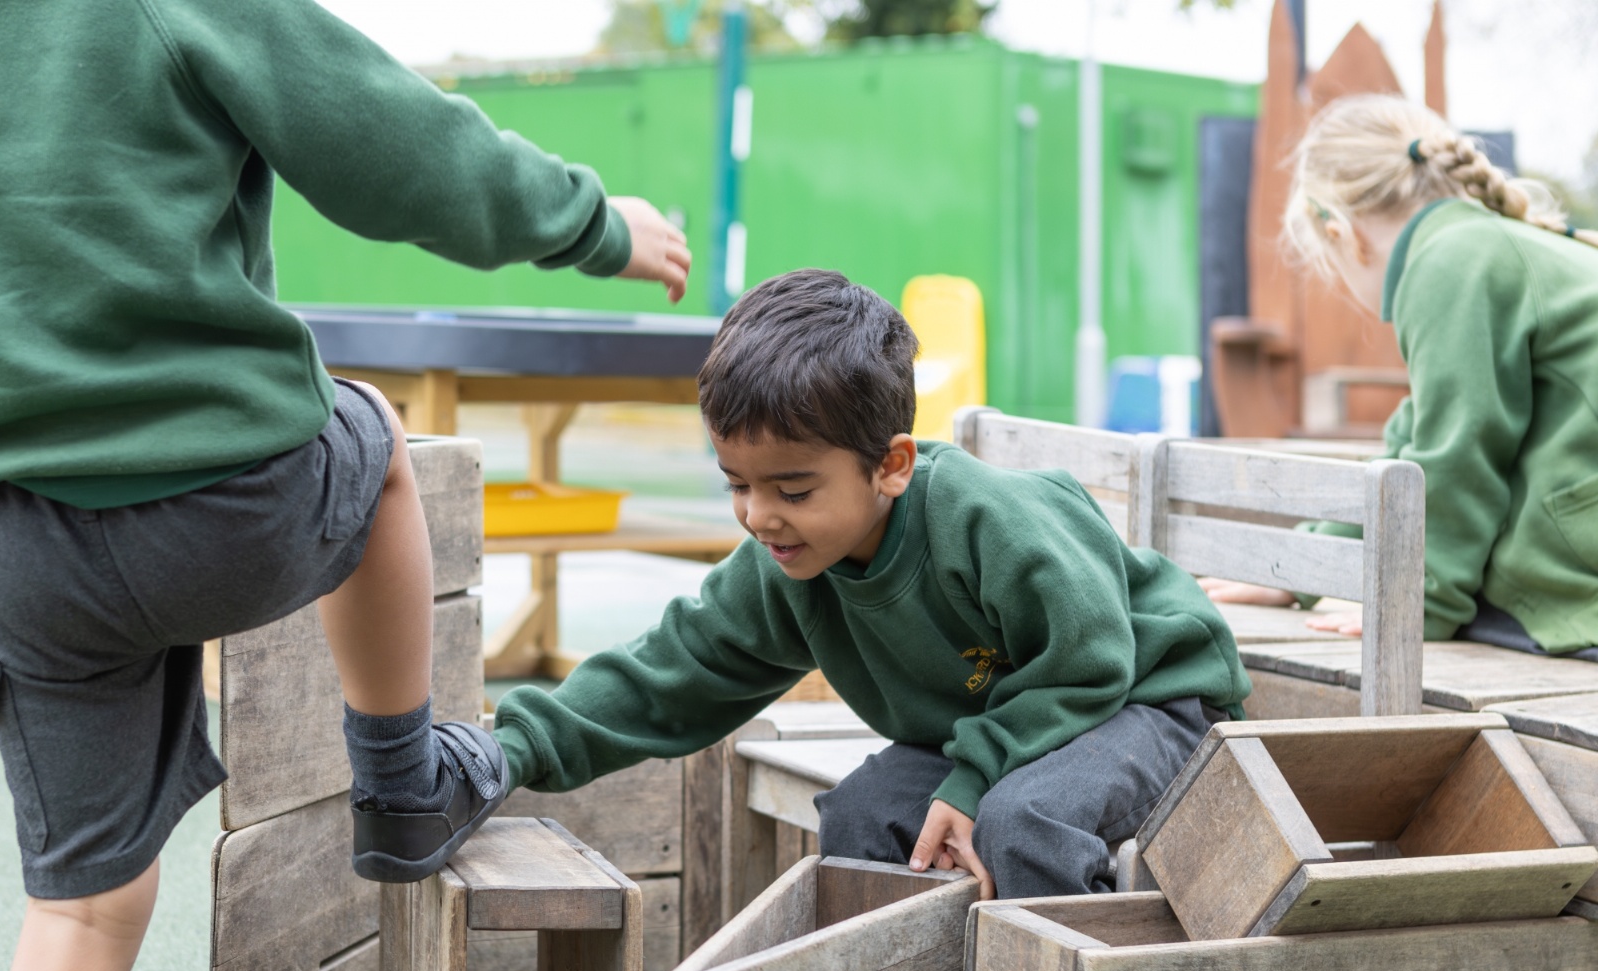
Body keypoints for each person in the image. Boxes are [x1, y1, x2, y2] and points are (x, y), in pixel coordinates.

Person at [0, 0, 690, 971]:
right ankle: (403, 781)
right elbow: (399, 150)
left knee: (77, 917)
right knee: (372, 445)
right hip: (223, 505)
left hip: (26, 537)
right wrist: (597, 225)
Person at [493, 268, 1251, 908]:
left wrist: (973, 780)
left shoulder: (987, 519)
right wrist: (508, 753)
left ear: (890, 466)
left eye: (793, 490)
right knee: (861, 818)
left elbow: (1090, 662)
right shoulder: (790, 562)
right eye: (737, 485)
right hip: (1005, 730)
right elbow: (674, 669)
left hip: (1151, 703)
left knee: (1024, 825)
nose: (759, 516)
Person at [1202, 94, 1598, 661]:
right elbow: (1408, 450)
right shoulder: (1479, 244)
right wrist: (1303, 569)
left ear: (1339, 231)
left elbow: (1457, 452)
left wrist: (1417, 604)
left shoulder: (1449, 260)